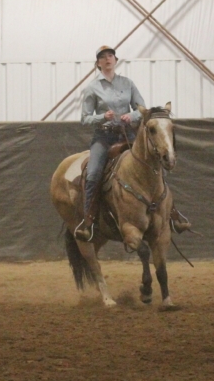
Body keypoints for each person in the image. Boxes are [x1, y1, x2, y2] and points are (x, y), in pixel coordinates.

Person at [75, 46, 190, 242]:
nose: (107, 59)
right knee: (93, 173)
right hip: (104, 136)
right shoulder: (92, 88)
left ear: (115, 60)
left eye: (110, 56)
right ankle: (88, 221)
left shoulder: (127, 83)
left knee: (155, 166)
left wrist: (132, 115)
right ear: (98, 63)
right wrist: (102, 117)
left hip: (128, 135)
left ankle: (173, 215)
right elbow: (85, 119)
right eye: (103, 57)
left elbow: (142, 110)